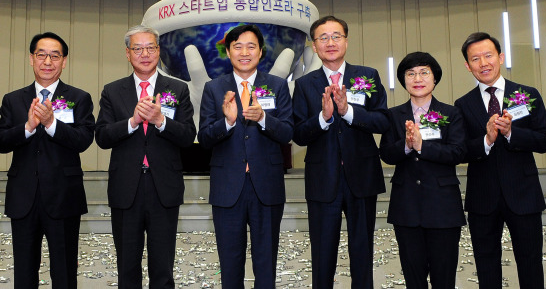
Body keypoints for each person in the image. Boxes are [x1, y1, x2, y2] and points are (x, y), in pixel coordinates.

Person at [95, 25, 196, 288]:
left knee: (163, 269)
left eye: (151, 47)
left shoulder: (177, 89)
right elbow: (102, 136)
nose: (145, 54)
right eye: (138, 49)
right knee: (127, 268)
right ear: (128, 54)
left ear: (159, 51)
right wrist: (133, 121)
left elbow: (187, 136)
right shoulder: (113, 91)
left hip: (164, 187)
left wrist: (160, 120)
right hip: (126, 188)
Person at [292, 16, 388, 289]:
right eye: (323, 38)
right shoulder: (304, 84)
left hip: (362, 176)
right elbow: (297, 133)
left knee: (362, 251)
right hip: (323, 178)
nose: (330, 42)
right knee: (323, 254)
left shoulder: (366, 76)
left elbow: (382, 122)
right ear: (314, 45)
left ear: (346, 40)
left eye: (336, 36)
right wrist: (323, 118)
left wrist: (348, 112)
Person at [0, 32, 95, 289]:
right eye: (41, 54)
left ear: (64, 61)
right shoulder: (13, 99)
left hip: (64, 196)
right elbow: (0, 142)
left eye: (55, 55)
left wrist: (51, 123)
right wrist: (28, 126)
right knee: (24, 272)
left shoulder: (79, 97)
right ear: (31, 59)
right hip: (23, 196)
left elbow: (83, 140)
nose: (47, 61)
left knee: (64, 271)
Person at [198, 24, 293, 288]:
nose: (244, 52)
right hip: (228, 186)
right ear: (228, 52)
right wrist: (226, 122)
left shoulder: (276, 85)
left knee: (266, 263)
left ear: (261, 52)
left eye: (251, 46)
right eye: (237, 47)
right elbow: (204, 137)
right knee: (230, 263)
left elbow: (287, 132)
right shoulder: (214, 88)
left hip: (267, 186)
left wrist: (264, 118)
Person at [455, 32, 546, 289]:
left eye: (488, 56)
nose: (483, 63)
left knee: (530, 263)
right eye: (475, 59)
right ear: (468, 65)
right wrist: (486, 139)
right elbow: (460, 150)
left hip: (524, 194)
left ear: (500, 57)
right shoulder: (462, 105)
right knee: (486, 265)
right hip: (482, 198)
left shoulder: (526, 94)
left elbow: (544, 141)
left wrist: (511, 133)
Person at [379, 52, 466, 289]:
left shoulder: (451, 113)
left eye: (424, 72)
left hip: (443, 209)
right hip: (406, 207)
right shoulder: (394, 115)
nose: (417, 78)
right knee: (413, 278)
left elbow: (458, 153)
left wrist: (421, 145)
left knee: (444, 278)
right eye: (411, 73)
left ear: (434, 78)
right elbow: (385, 152)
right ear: (404, 81)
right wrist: (406, 145)